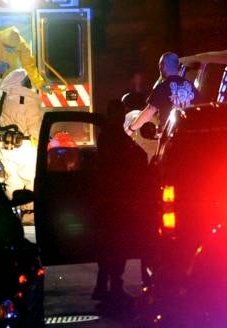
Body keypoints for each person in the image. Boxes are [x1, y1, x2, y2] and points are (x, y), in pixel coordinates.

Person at [93, 98, 148, 306]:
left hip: (105, 198)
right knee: (117, 245)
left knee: (106, 245)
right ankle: (114, 287)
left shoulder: (105, 135)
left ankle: (102, 285)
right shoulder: (117, 136)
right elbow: (136, 157)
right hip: (118, 199)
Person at [0, 68, 43, 224]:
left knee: (11, 179)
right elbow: (35, 128)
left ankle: (13, 214)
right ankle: (29, 214)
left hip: (6, 146)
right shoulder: (31, 99)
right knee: (30, 180)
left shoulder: (4, 97)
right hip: (26, 146)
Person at [0, 26, 47, 143]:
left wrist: (39, 82)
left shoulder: (20, 43)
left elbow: (28, 64)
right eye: (7, 47)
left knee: (0, 101)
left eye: (12, 48)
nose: (10, 50)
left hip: (11, 77)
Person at [124, 52, 197, 136]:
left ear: (163, 66)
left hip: (170, 135)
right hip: (190, 133)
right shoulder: (190, 85)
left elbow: (149, 111)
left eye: (160, 65)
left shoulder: (162, 87)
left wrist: (130, 129)